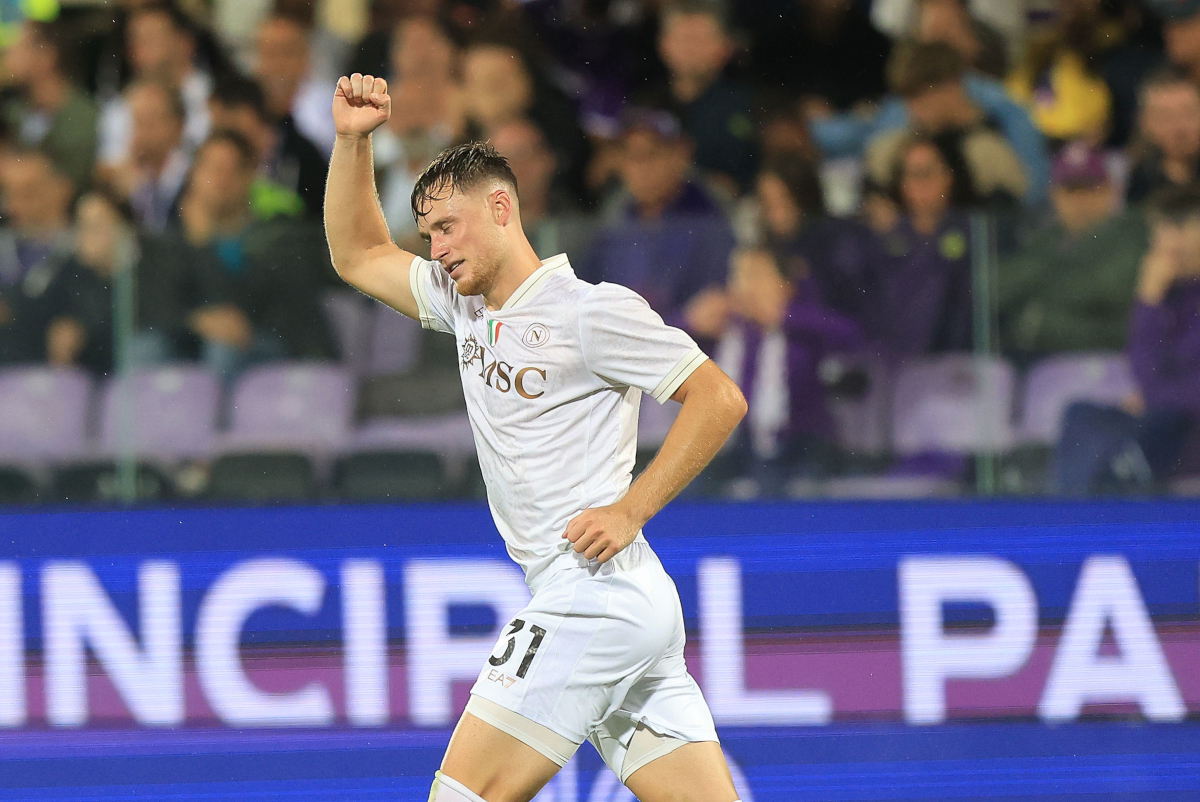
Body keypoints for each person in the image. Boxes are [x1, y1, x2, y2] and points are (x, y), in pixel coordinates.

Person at [325, 71, 747, 802]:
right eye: (427, 234)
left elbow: (718, 398)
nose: (437, 247)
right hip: (624, 602)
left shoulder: (589, 312)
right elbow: (357, 254)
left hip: (590, 596)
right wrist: (351, 142)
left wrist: (631, 509)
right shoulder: (462, 306)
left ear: (500, 207)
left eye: (447, 227)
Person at [140, 131, 334, 378]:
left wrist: (203, 244)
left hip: (275, 347)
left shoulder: (277, 237)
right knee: (146, 348)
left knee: (224, 347)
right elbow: (156, 303)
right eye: (211, 169)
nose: (220, 180)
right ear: (194, 177)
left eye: (230, 170)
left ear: (249, 177)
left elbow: (241, 315)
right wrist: (195, 321)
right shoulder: (177, 239)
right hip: (199, 341)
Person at [1056, 182, 1200, 494]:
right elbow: (1143, 370)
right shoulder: (1169, 294)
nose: (1159, 243)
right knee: (1080, 414)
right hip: (1163, 420)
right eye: (1157, 231)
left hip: (1185, 429)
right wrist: (1148, 299)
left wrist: (1154, 398)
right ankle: (1070, 514)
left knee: (1161, 423)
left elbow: (1183, 391)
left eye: (1167, 230)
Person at [714, 248, 863, 496]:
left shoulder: (800, 329)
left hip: (798, 444)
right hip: (735, 444)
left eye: (757, 275)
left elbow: (852, 334)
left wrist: (787, 315)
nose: (747, 285)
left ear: (786, 285)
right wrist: (691, 319)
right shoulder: (728, 331)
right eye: (739, 275)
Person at [581, 109, 735, 348]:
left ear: (680, 155)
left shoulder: (712, 229)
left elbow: (709, 317)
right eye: (632, 156)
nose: (642, 168)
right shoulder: (610, 233)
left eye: (652, 155)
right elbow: (583, 315)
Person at [999, 142, 1148, 360]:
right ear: (1054, 194)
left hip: (1105, 359)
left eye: (1090, 188)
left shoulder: (1133, 233)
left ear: (1111, 190)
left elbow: (1110, 291)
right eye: (1070, 189)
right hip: (1032, 360)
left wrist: (1038, 299)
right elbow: (996, 289)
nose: (1080, 200)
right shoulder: (1043, 238)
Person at [866, 43, 1028, 208]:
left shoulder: (989, 148)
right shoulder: (891, 148)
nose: (912, 110)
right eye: (908, 100)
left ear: (952, 85)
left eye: (921, 96)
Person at [865, 134, 975, 357]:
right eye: (914, 175)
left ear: (949, 177)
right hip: (897, 364)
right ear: (901, 185)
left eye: (929, 172)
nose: (923, 184)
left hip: (955, 363)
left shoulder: (973, 232)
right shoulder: (886, 239)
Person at [756, 154, 877, 322]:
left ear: (803, 197)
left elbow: (853, 316)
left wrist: (788, 312)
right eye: (767, 203)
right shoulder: (766, 248)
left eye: (784, 199)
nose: (776, 213)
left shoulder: (839, 239)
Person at [654, 0, 757, 191]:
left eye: (701, 39)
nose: (691, 49)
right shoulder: (643, 107)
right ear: (664, 45)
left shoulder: (749, 106)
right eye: (684, 38)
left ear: (726, 48)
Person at [98, 3, 212, 167]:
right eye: (134, 41)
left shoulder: (213, 99)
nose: (138, 50)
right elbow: (110, 167)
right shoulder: (119, 108)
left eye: (150, 39)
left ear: (185, 43)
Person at [208, 74, 326, 219]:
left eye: (221, 122)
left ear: (246, 114)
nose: (217, 132)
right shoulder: (217, 160)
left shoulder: (302, 155)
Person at [0, 150, 76, 365]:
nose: (13, 207)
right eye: (8, 194)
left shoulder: (81, 252)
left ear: (62, 189)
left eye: (28, 193)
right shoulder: (6, 247)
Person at [2, 20, 99, 186]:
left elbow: (67, 183)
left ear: (47, 55)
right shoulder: (15, 109)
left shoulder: (82, 116)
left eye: (17, 48)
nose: (7, 55)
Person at [490, 118, 596, 265]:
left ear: (549, 160)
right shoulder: (468, 238)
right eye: (500, 160)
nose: (513, 167)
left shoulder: (584, 237)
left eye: (524, 154)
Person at [102, 79, 192, 232]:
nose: (139, 134)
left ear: (178, 126)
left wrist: (139, 193)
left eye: (149, 122)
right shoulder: (121, 182)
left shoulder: (194, 176)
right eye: (136, 122)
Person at [253, 13, 337, 155]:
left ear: (306, 58)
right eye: (270, 53)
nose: (278, 64)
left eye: (287, 53)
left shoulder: (329, 102)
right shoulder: (244, 101)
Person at [1126, 70, 1200, 204]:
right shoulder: (1132, 182)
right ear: (1145, 124)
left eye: (1189, 114)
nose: (1180, 128)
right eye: (1166, 117)